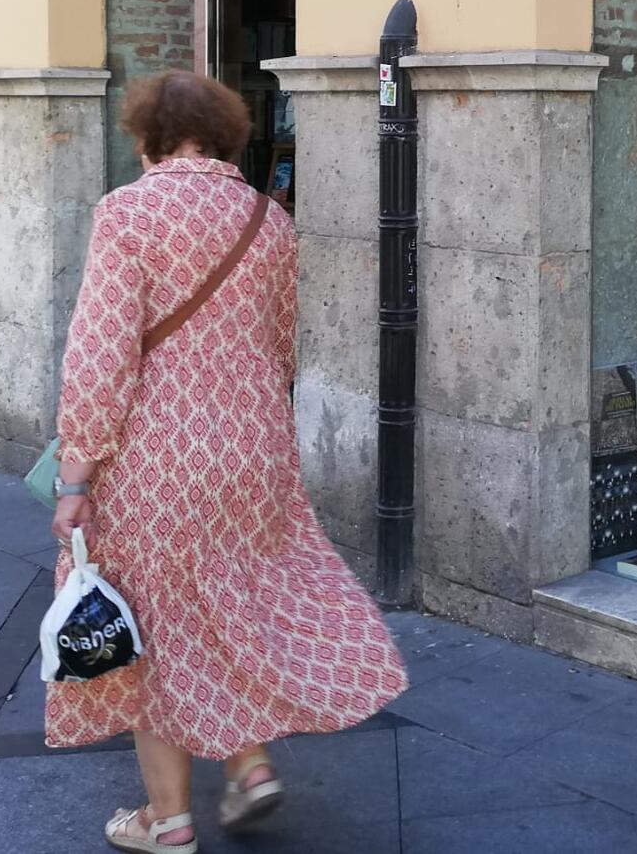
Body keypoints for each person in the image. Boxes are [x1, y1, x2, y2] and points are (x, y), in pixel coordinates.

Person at [47, 71, 407, 853]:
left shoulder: (127, 213)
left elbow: (101, 356)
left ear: (146, 134)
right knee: (227, 605)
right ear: (224, 134)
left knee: (152, 627)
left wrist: (75, 475)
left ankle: (167, 820)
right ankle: (248, 768)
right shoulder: (266, 219)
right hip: (253, 449)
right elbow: (280, 344)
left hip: (156, 457)